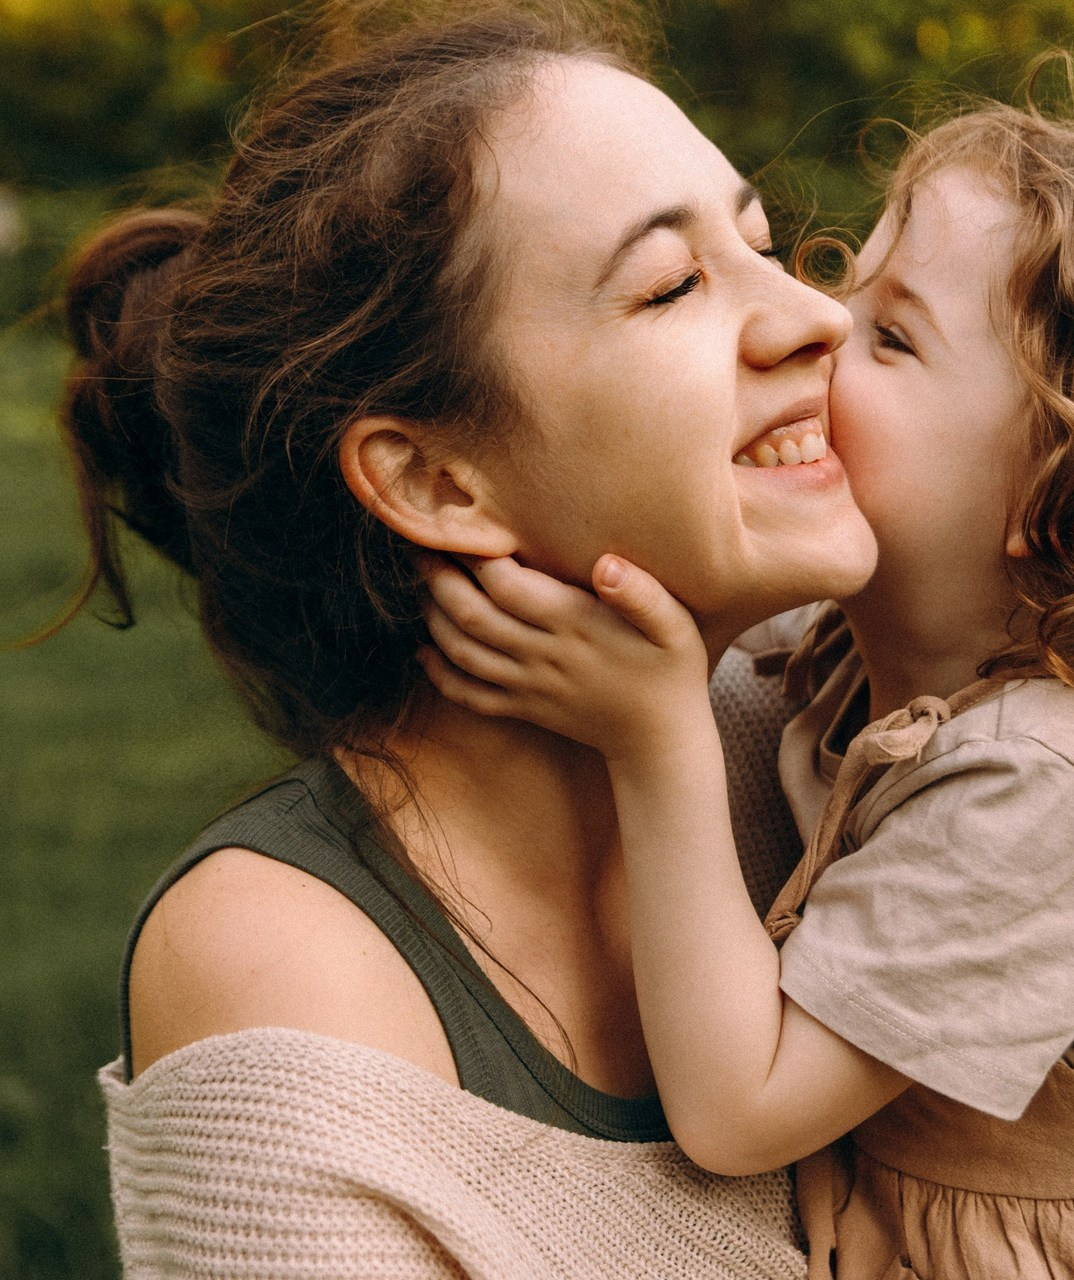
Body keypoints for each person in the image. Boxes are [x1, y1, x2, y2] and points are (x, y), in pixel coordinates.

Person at [58, 3, 883, 1275]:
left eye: (763, 243)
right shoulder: (288, 972)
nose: (814, 317)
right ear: (438, 481)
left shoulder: (848, 728)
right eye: (670, 282)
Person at [418, 101, 1074, 1278]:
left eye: (892, 337)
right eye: (848, 285)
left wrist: (656, 732)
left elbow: (738, 1109)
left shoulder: (1055, 778)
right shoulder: (863, 638)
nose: (818, 321)